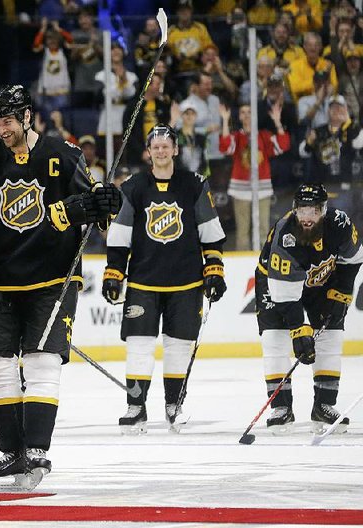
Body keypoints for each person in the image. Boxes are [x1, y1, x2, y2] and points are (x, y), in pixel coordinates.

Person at [0, 84, 121, 490]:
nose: (0, 129)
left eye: (7, 121)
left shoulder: (66, 154)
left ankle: (38, 450)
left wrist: (104, 205)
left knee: (42, 361)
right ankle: (12, 452)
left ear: (27, 117)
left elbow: (94, 210)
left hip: (53, 278)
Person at [103, 124, 226, 435]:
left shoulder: (195, 184)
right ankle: (136, 407)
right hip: (144, 282)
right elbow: (119, 237)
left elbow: (210, 233)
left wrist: (214, 269)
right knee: (139, 346)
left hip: (186, 282)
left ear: (175, 149)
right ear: (148, 151)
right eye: (155, 146)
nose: (160, 151)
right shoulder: (132, 187)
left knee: (179, 346)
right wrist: (114, 272)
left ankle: (174, 405)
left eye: (165, 145)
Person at [254, 183, 363, 435]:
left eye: (314, 211)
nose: (307, 217)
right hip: (275, 283)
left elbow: (353, 259)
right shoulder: (286, 234)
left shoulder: (340, 225)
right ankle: (281, 408)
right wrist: (298, 329)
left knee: (331, 335)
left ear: (324, 210)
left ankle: (323, 405)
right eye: (302, 210)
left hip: (321, 282)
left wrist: (342, 294)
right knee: (275, 339)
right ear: (294, 209)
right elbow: (284, 294)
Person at [219, 102, 290, 251]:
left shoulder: (264, 136)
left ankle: (263, 265)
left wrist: (277, 122)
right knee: (242, 232)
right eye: (243, 112)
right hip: (240, 190)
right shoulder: (237, 136)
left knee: (263, 230)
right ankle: (243, 268)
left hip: (262, 189)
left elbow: (283, 145)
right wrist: (225, 120)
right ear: (239, 116)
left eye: (249, 112)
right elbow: (226, 147)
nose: (246, 115)